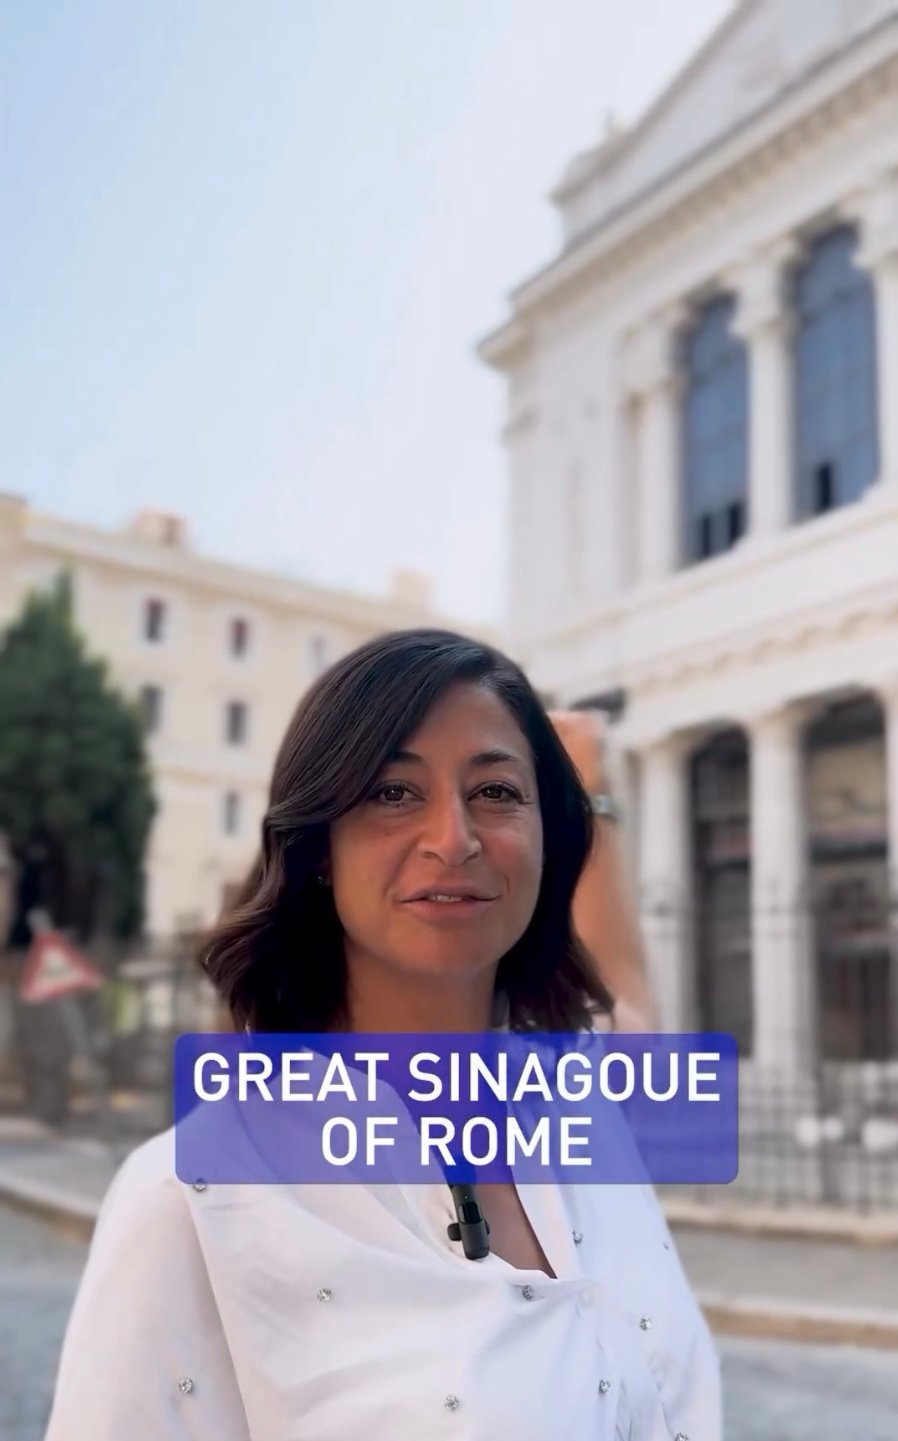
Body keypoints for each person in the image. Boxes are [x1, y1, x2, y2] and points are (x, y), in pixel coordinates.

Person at [46, 629, 719, 1440]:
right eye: (394, 793)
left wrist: (594, 787)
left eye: (498, 791)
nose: (454, 838)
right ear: (319, 846)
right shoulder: (192, 1201)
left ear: (549, 838)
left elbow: (627, 996)